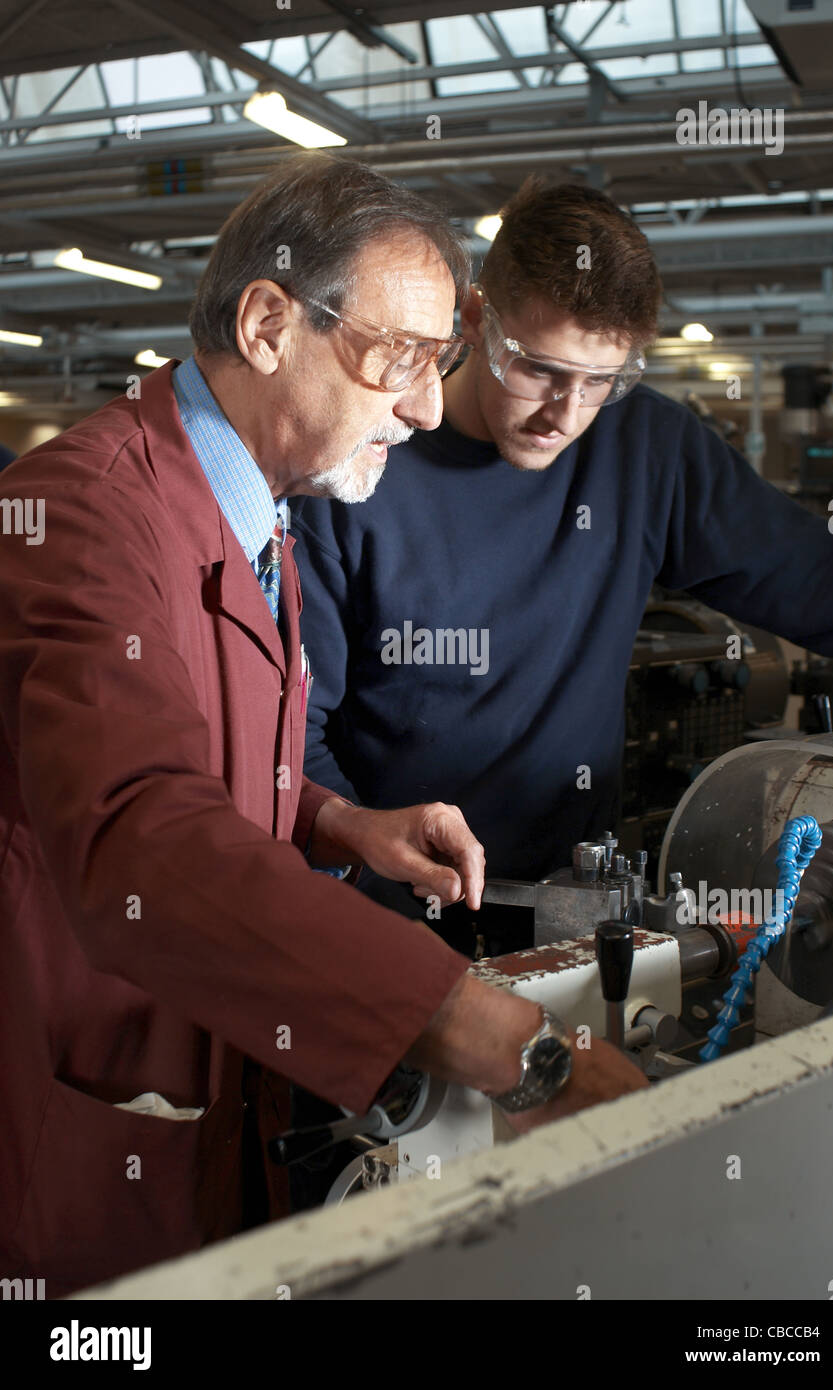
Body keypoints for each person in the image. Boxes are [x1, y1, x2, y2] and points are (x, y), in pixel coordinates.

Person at [0, 156, 645, 1299]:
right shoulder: (83, 516)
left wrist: (338, 818)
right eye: (402, 357)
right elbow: (139, 829)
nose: (430, 406)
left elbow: (218, 756)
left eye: (441, 364)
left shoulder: (266, 511)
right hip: (75, 1133)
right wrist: (500, 1038)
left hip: (209, 1094)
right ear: (266, 325)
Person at [291, 176, 833, 943]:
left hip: (576, 911)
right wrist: (376, 892)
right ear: (473, 321)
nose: (566, 414)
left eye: (601, 381)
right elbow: (293, 738)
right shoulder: (359, 467)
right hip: (381, 923)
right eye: (540, 370)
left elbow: (825, 589)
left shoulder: (645, 449)